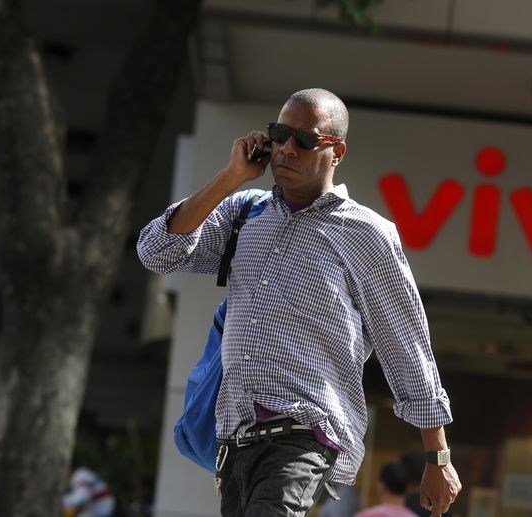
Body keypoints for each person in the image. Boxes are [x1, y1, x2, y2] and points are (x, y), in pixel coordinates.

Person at [137, 88, 461, 516]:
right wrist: (232, 176)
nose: (287, 149)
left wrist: (438, 458)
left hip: (307, 433)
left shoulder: (366, 234)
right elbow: (158, 251)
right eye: (280, 134)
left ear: (336, 151)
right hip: (237, 439)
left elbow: (407, 348)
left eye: (305, 140)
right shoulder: (244, 213)